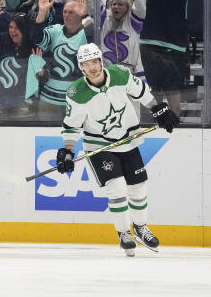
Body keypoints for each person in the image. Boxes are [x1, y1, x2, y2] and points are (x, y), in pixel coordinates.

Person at [56, 43, 179, 256]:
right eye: (87, 63)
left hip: (128, 140)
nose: (93, 67)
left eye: (95, 61)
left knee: (138, 187)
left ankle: (140, 228)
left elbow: (141, 91)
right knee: (117, 187)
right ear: (81, 67)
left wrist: (157, 109)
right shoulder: (76, 93)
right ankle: (123, 233)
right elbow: (72, 125)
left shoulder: (120, 74)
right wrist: (67, 151)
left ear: (101, 61)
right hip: (99, 145)